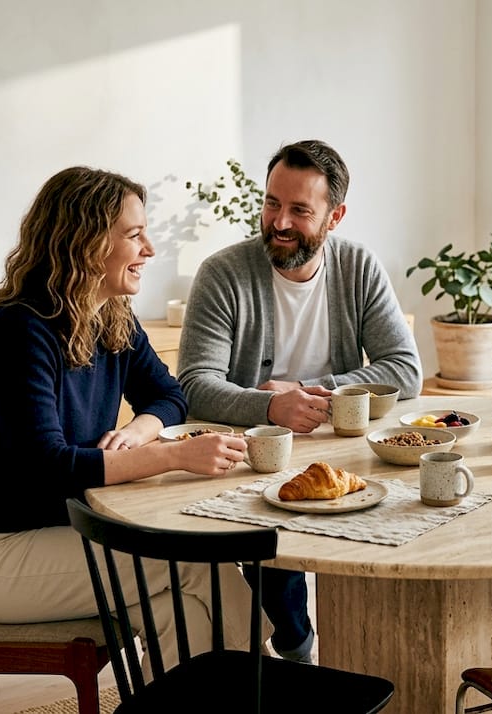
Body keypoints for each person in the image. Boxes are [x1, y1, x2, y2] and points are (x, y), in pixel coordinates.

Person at [0, 166, 262, 670]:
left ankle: (232, 696)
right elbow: (50, 466)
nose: (149, 249)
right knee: (202, 566)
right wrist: (171, 455)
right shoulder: (21, 331)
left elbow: (168, 394)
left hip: (60, 531)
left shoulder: (109, 316)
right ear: (86, 244)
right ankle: (276, 682)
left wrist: (138, 429)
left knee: (184, 611)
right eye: (134, 235)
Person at [179, 139, 422, 664]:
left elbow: (404, 369)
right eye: (272, 203)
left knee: (401, 509)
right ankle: (296, 647)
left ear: (335, 215)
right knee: (271, 527)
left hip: (340, 447)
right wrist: (268, 408)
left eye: (299, 210)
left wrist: (318, 391)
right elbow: (195, 383)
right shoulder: (224, 274)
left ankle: (373, 654)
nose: (280, 221)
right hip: (251, 452)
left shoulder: (358, 267)